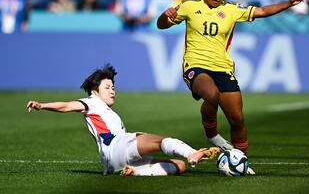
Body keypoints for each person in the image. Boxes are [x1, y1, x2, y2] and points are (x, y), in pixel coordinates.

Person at [157, 0, 304, 175]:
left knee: (238, 119)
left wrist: (288, 3)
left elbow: (261, 11)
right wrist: (165, 16)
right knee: (211, 95)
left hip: (223, 68)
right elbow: (161, 25)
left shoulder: (233, 9)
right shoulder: (189, 5)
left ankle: (241, 161)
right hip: (195, 66)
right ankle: (212, 134)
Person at [26, 64, 220, 176]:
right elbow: (67, 106)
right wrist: (43, 105)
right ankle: (193, 152)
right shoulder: (91, 102)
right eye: (107, 87)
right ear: (95, 91)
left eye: (113, 87)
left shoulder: (108, 111)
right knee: (161, 141)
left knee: (179, 166)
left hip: (113, 162)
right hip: (116, 147)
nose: (112, 90)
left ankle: (132, 172)